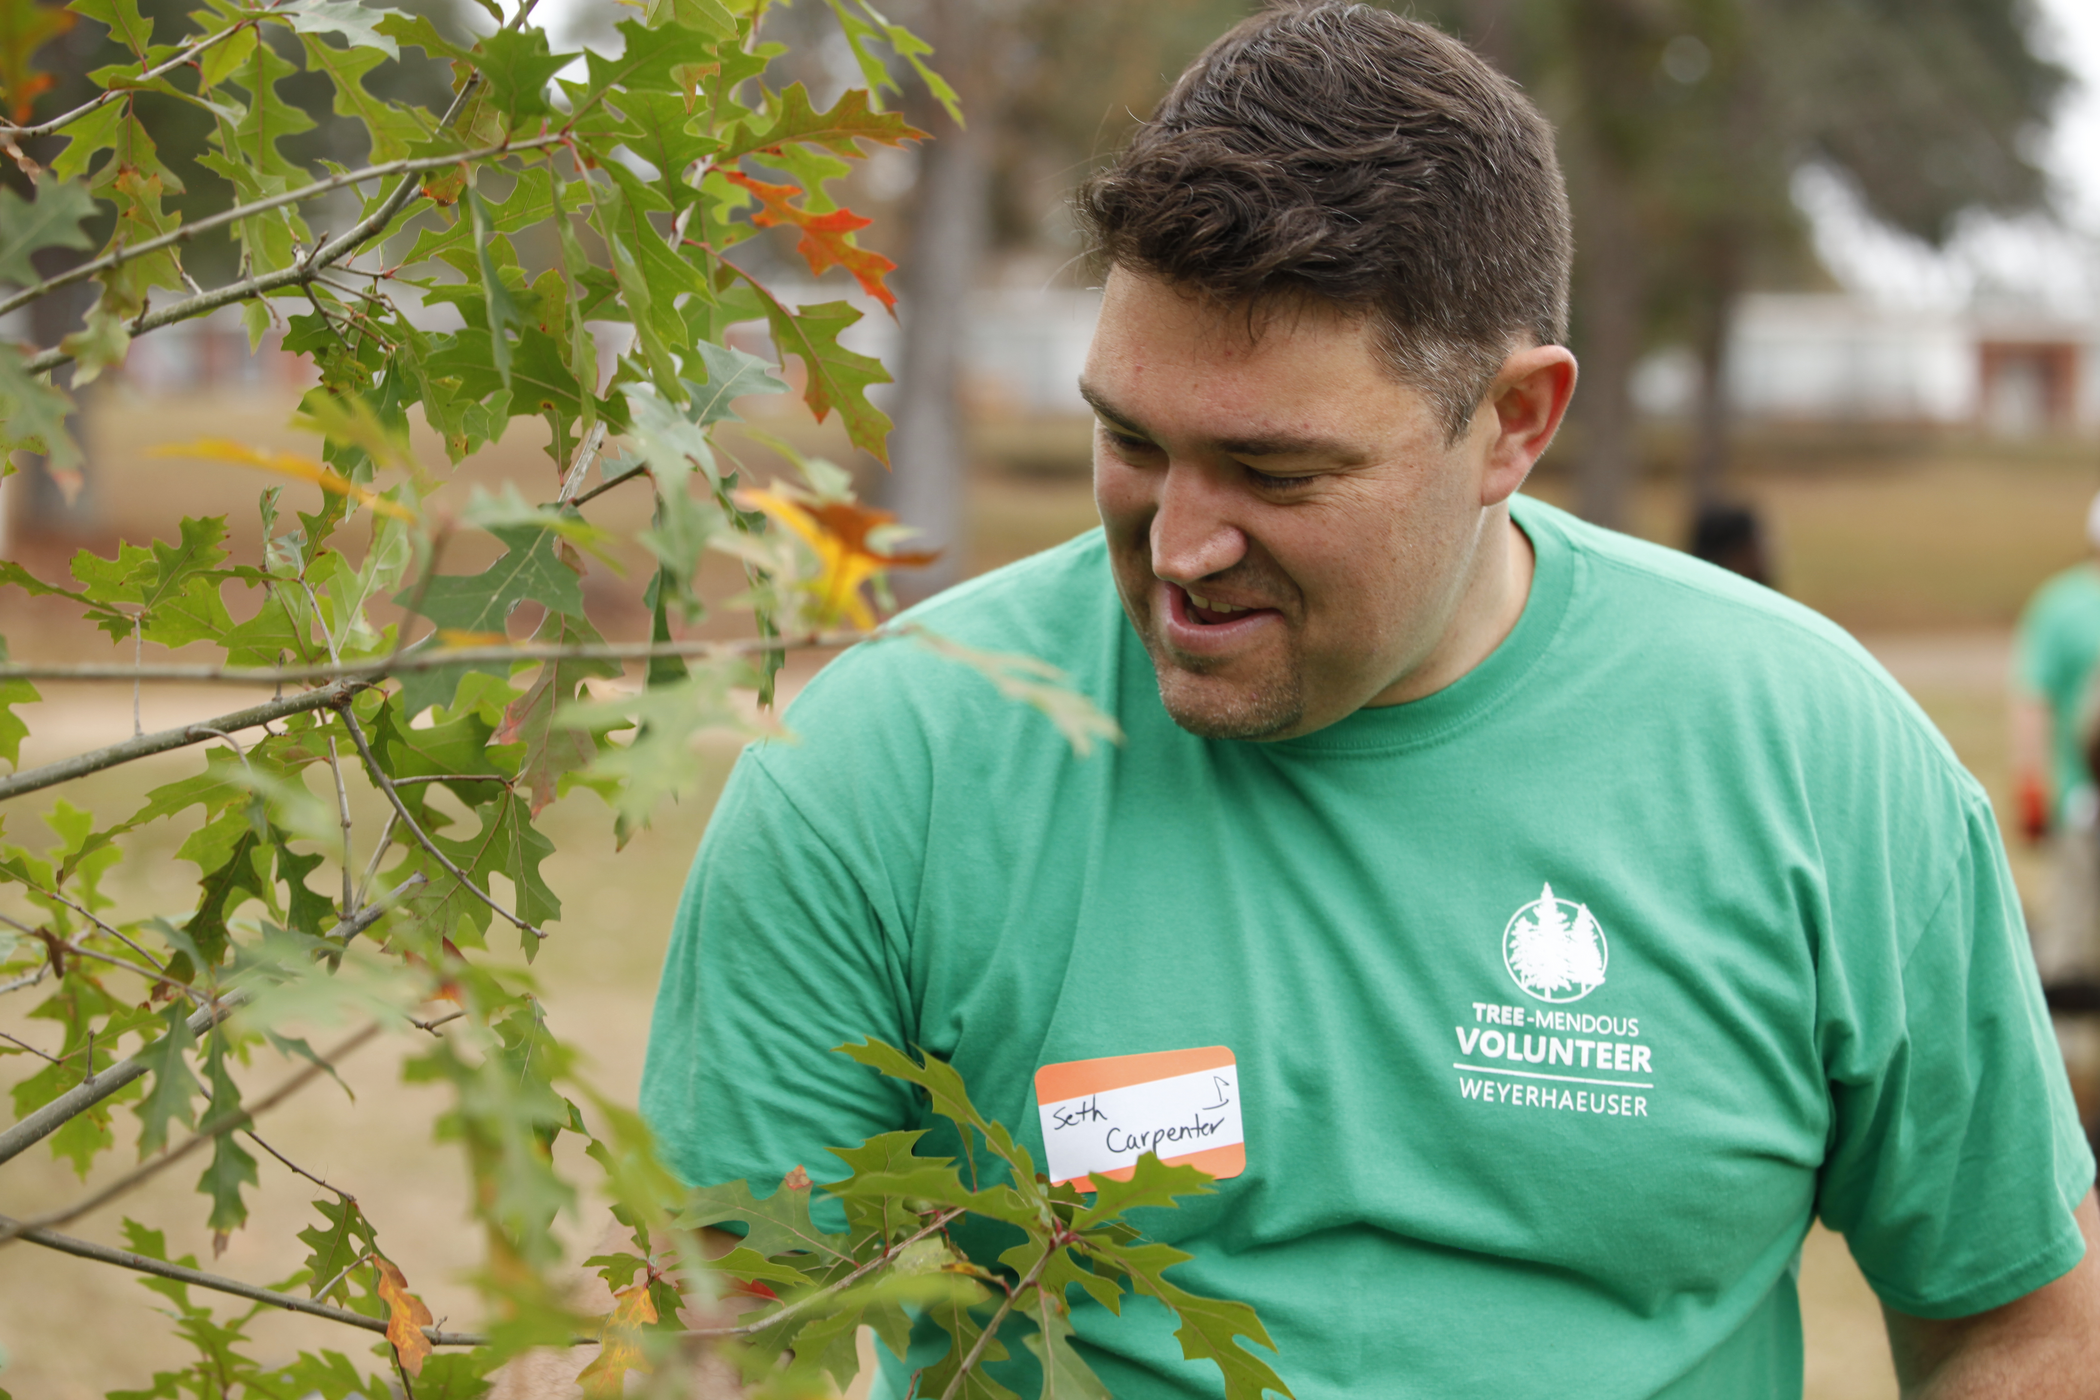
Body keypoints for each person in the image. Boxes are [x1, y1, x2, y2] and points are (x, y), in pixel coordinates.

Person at [641, 6, 2100, 1396]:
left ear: (1514, 425)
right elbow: (716, 1345)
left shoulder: (1815, 763)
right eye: (1132, 440)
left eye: (1276, 474)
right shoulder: (886, 766)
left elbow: (2024, 1325)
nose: (1180, 548)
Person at [2012, 494, 2100, 1118]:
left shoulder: (2062, 604)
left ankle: (2065, 1107)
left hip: (2079, 812)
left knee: (2072, 953)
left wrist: (2032, 793)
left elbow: (2032, 705)